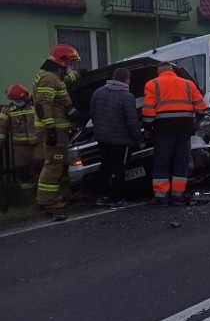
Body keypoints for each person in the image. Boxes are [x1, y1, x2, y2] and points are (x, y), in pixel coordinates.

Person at [142, 61, 206, 206]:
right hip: (185, 128)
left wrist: (148, 128)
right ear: (173, 71)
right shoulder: (188, 84)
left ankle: (161, 197)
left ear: (159, 72)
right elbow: (201, 107)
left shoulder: (152, 84)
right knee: (181, 161)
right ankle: (178, 196)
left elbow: (148, 111)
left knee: (161, 162)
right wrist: (195, 122)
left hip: (163, 130)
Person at [32, 44, 82, 211]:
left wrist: (76, 76)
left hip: (55, 130)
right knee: (54, 163)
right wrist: (51, 129)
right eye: (71, 63)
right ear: (62, 61)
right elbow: (42, 105)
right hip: (53, 130)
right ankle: (47, 201)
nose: (71, 66)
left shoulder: (51, 76)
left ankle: (50, 197)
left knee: (55, 163)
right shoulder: (49, 78)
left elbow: (61, 83)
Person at [89, 67, 145, 208]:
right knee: (119, 169)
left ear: (113, 78)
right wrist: (140, 140)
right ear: (127, 79)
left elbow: (93, 114)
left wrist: (99, 130)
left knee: (105, 166)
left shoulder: (98, 92)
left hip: (102, 138)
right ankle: (117, 199)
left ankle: (102, 197)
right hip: (120, 140)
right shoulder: (127, 97)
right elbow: (132, 122)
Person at [0, 84, 43, 191]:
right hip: (20, 147)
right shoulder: (8, 110)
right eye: (15, 100)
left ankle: (42, 193)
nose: (17, 101)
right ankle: (28, 197)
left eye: (18, 99)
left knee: (40, 166)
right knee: (22, 172)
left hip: (37, 143)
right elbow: (1, 128)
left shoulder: (35, 107)